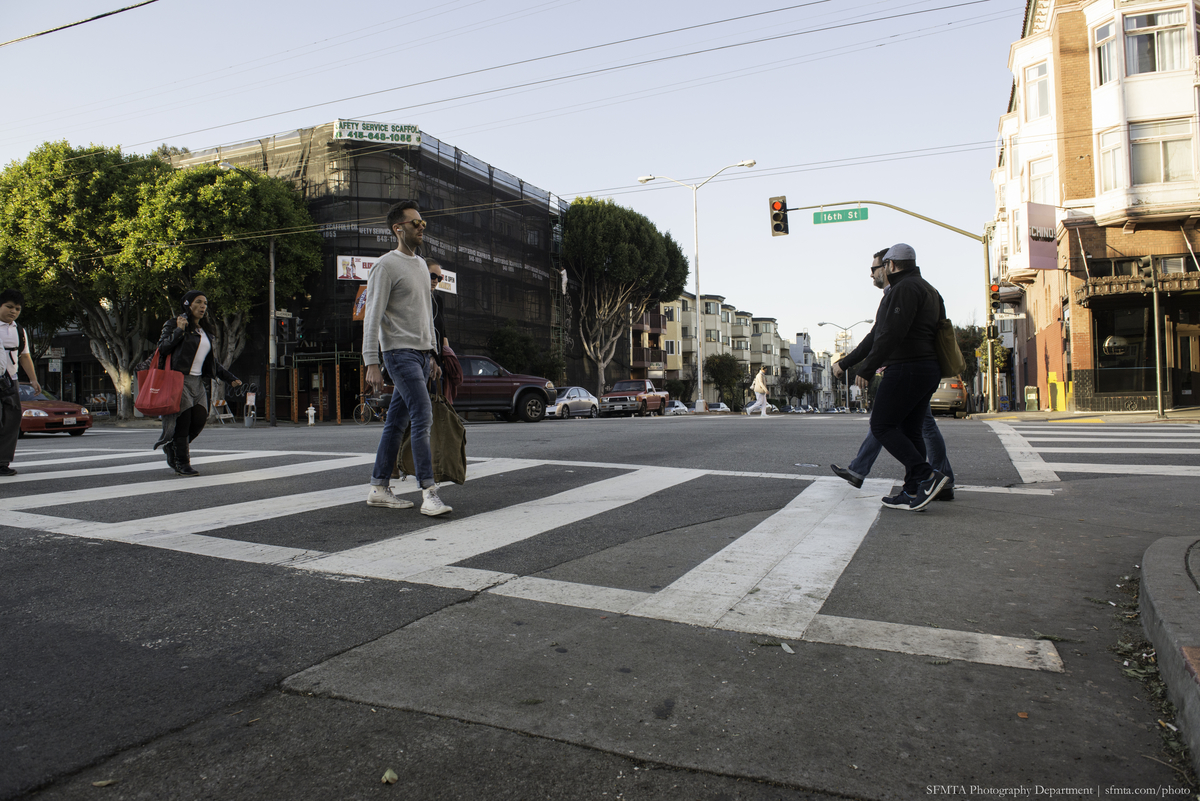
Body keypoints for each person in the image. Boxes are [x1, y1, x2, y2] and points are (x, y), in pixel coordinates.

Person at [834, 243, 950, 511]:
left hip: (907, 367)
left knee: (882, 425)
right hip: (926, 368)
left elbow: (891, 334)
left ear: (892, 265)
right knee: (911, 431)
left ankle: (926, 476)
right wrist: (850, 362)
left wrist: (866, 368)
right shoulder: (929, 289)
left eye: (883, 265)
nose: (881, 270)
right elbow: (878, 334)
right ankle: (912, 491)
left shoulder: (904, 289)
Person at [363, 200, 451, 516]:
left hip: (419, 355)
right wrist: (371, 361)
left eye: (423, 222)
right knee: (422, 413)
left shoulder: (419, 265)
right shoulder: (385, 266)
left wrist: (431, 355)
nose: (421, 227)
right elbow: (372, 314)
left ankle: (378, 487)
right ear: (398, 229)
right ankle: (429, 492)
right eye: (415, 223)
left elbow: (426, 316)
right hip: (397, 353)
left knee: (396, 421)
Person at [152, 291, 242, 477]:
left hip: (198, 382)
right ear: (187, 304)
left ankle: (172, 448)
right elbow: (162, 348)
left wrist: (229, 377)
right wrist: (179, 330)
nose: (203, 306)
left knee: (200, 420)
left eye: (205, 303)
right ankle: (183, 463)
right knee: (183, 423)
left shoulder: (205, 331)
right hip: (179, 380)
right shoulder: (174, 323)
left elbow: (211, 362)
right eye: (199, 302)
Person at [1, 289, 41, 477]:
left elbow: (24, 356)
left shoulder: (19, 330)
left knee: (11, 422)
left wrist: (33, 380)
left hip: (11, 381)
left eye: (17, 308)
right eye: (9, 307)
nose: (13, 311)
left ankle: (2, 462)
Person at [427, 259, 463, 404]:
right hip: (422, 358)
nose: (436, 281)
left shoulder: (437, 299)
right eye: (432, 276)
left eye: (439, 278)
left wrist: (447, 355)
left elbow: (442, 330)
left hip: (438, 358)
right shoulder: (416, 297)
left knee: (437, 400)